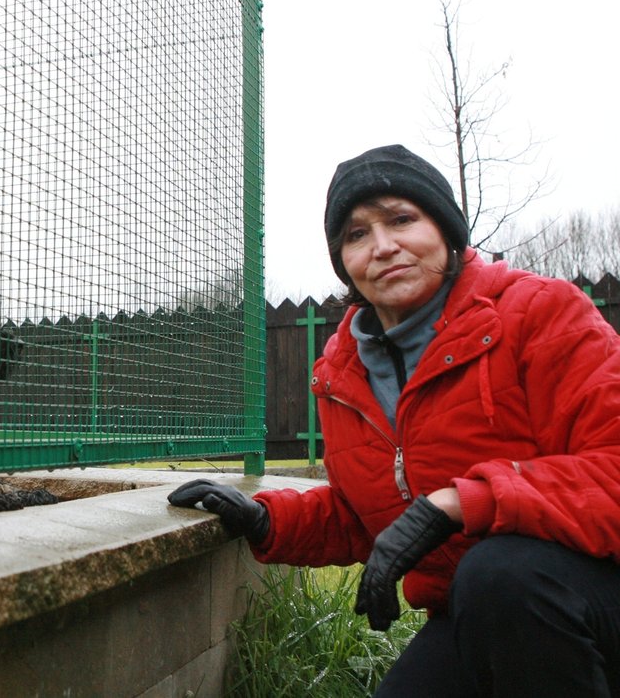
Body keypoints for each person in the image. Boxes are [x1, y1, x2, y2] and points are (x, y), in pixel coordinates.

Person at [169, 144, 620, 696]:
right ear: (345, 263)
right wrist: (268, 521)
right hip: (475, 610)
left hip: (586, 591)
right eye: (357, 235)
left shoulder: (542, 313)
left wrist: (458, 502)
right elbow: (372, 514)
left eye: (403, 219)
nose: (383, 247)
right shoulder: (342, 373)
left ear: (446, 231)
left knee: (502, 574)